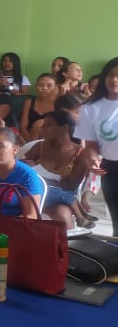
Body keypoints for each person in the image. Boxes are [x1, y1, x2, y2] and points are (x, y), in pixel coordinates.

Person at [24, 111, 93, 229]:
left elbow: (70, 186)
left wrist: (40, 179)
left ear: (64, 128)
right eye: (43, 126)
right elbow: (22, 169)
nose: (43, 129)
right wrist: (44, 180)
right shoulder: (39, 147)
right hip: (36, 193)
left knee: (63, 214)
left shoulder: (81, 154)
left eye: (48, 125)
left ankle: (69, 240)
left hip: (61, 197)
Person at [75, 57, 118, 235]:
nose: (114, 79)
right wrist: (92, 159)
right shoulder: (90, 107)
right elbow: (91, 144)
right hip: (111, 169)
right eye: (110, 74)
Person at [20, 73, 58, 142]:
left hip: (50, 142)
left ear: (55, 87)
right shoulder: (29, 102)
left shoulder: (59, 104)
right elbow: (23, 127)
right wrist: (31, 142)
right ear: (36, 86)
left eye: (49, 85)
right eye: (40, 85)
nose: (44, 88)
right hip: (28, 139)